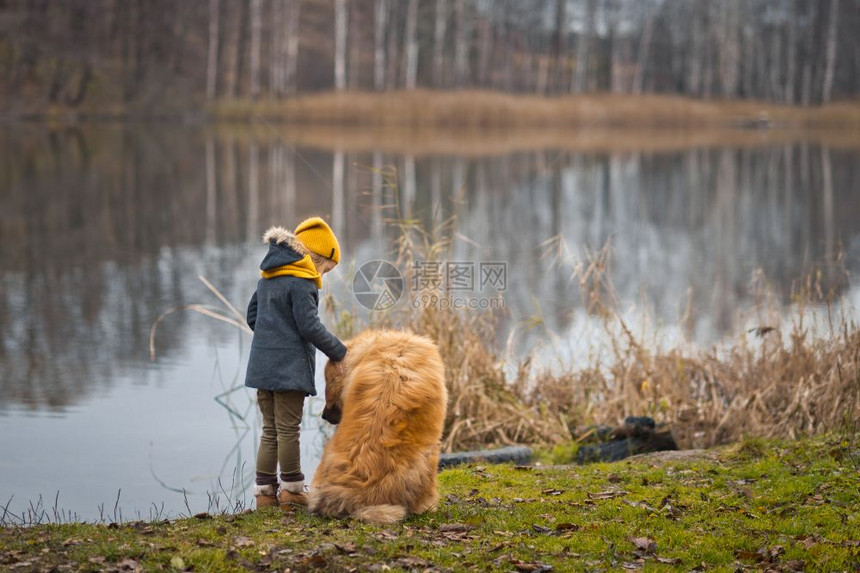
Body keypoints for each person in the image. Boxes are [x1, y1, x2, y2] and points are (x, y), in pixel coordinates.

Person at [244, 217, 347, 509]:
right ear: (317, 258)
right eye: (327, 268)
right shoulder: (302, 283)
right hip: (288, 370)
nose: (324, 276)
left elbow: (253, 317)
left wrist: (271, 340)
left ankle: (264, 494)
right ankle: (292, 491)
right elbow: (310, 327)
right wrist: (339, 351)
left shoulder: (269, 275)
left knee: (270, 429)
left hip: (262, 366)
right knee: (289, 430)